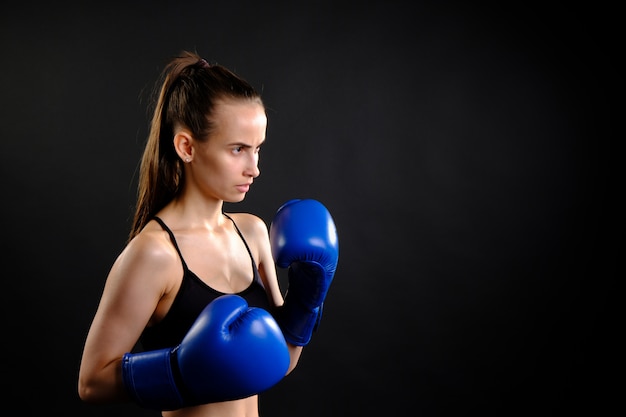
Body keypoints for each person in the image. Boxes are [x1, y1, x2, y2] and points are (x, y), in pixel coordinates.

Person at [77, 50, 339, 417]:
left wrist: (307, 299)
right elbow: (91, 383)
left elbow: (280, 361)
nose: (255, 168)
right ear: (187, 147)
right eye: (238, 150)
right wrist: (180, 373)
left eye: (258, 149)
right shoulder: (155, 254)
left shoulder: (253, 233)